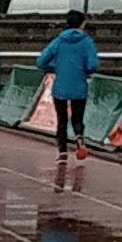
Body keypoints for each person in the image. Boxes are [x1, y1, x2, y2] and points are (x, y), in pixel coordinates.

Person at [38, 9, 103, 153]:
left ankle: (62, 150)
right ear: (82, 24)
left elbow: (41, 61)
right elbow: (93, 64)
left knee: (62, 120)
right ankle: (79, 136)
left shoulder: (59, 41)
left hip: (60, 86)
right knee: (77, 118)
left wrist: (56, 69)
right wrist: (84, 71)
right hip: (79, 86)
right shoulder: (87, 42)